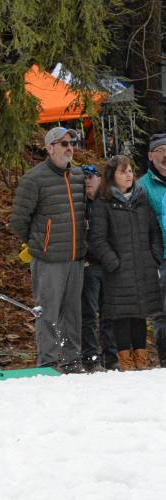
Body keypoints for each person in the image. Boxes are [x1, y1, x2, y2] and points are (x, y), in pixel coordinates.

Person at [10, 127, 87, 374]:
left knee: (73, 313)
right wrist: (39, 244)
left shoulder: (77, 176)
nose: (69, 147)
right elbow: (19, 221)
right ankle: (48, 363)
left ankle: (73, 360)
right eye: (63, 143)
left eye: (71, 142)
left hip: (75, 257)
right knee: (48, 313)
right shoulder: (34, 179)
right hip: (48, 259)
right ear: (49, 147)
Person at [88, 155, 163, 370]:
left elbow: (154, 231)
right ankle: (126, 363)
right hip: (118, 270)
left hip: (144, 267)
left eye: (130, 170)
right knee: (122, 315)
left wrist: (154, 257)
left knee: (140, 314)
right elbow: (97, 239)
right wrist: (113, 262)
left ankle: (142, 360)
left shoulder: (141, 198)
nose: (129, 175)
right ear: (112, 176)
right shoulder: (104, 202)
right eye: (123, 171)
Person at [79, 165, 118, 371]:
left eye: (91, 177)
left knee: (109, 313)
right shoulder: (78, 205)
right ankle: (90, 357)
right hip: (88, 265)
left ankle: (111, 357)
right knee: (89, 314)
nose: (87, 181)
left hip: (109, 265)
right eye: (83, 178)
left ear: (100, 179)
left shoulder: (108, 202)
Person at [139, 133, 166, 367]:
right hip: (160, 258)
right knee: (163, 313)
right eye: (161, 150)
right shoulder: (142, 187)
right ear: (150, 156)